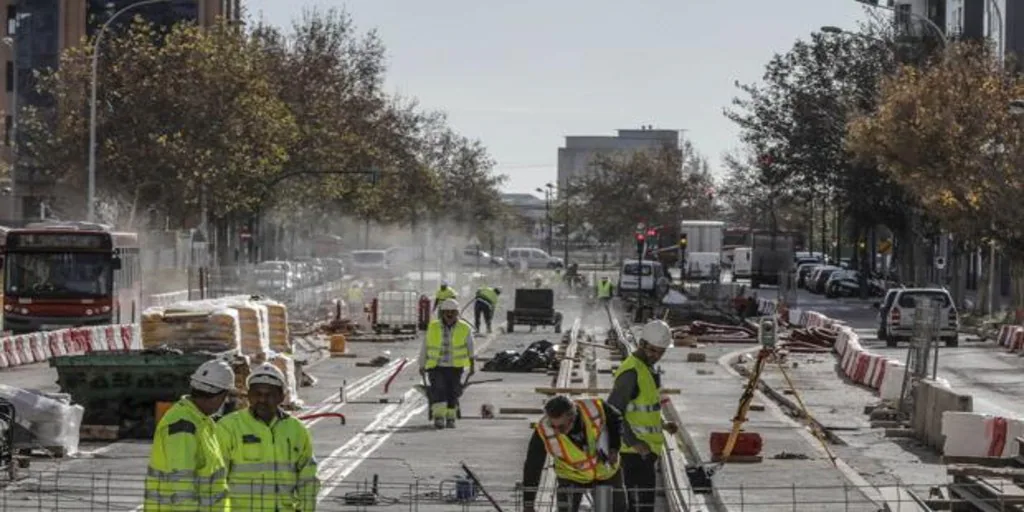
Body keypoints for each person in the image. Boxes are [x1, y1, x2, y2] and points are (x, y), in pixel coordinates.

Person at [215, 363, 319, 511]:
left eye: (269, 395)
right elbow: (217, 479)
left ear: (281, 397)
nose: (262, 399)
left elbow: (308, 477)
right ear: (249, 394)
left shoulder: (296, 430)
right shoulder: (228, 427)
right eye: (257, 394)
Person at [606, 320, 679, 512]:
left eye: (661, 352)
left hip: (646, 453)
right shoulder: (631, 372)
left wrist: (663, 424)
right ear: (641, 343)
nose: (656, 356)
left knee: (645, 507)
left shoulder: (647, 369)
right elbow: (613, 411)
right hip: (632, 454)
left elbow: (644, 408)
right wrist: (634, 442)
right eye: (653, 350)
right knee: (636, 507)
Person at [144, 359, 236, 511]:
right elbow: (182, 484)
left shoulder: (201, 421)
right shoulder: (184, 425)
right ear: (217, 396)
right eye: (224, 397)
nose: (224, 403)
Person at [521, 395, 628, 512]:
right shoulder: (543, 430)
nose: (556, 431)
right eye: (553, 426)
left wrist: (614, 447)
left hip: (606, 471)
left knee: (617, 509)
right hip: (570, 476)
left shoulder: (594, 408)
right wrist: (528, 503)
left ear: (572, 417)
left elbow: (616, 420)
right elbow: (533, 465)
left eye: (561, 427)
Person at [418, 298, 475, 429]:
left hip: (455, 367)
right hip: (436, 366)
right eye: (446, 312)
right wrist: (421, 365)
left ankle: (450, 417)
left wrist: (472, 366)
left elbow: (471, 347)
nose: (449, 314)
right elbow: (425, 347)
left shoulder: (464, 328)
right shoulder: (433, 326)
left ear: (457, 313)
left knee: (453, 392)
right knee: (439, 390)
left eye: (452, 312)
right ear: (442, 313)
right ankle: (438, 417)